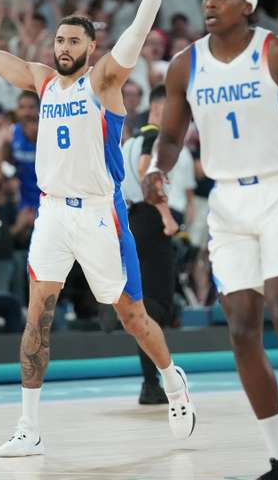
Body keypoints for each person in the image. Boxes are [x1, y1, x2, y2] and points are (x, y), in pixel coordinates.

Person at [0, 0, 197, 457]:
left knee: (131, 315)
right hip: (52, 214)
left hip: (101, 214)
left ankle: (173, 380)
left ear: (89, 46)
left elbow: (136, 34)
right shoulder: (40, 79)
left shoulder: (104, 80)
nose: (62, 46)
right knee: (40, 314)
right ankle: (29, 425)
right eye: (58, 38)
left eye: (72, 40)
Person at [143, 0, 278, 479]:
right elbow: (170, 138)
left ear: (246, 6)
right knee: (239, 328)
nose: (209, 2)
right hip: (228, 201)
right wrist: (155, 169)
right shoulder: (184, 66)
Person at [121, 84, 185, 405]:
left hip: (133, 220)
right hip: (150, 218)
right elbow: (148, 171)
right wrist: (165, 214)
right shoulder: (152, 137)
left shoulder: (129, 141)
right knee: (158, 305)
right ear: (161, 108)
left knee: (146, 305)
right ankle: (153, 382)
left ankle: (150, 383)